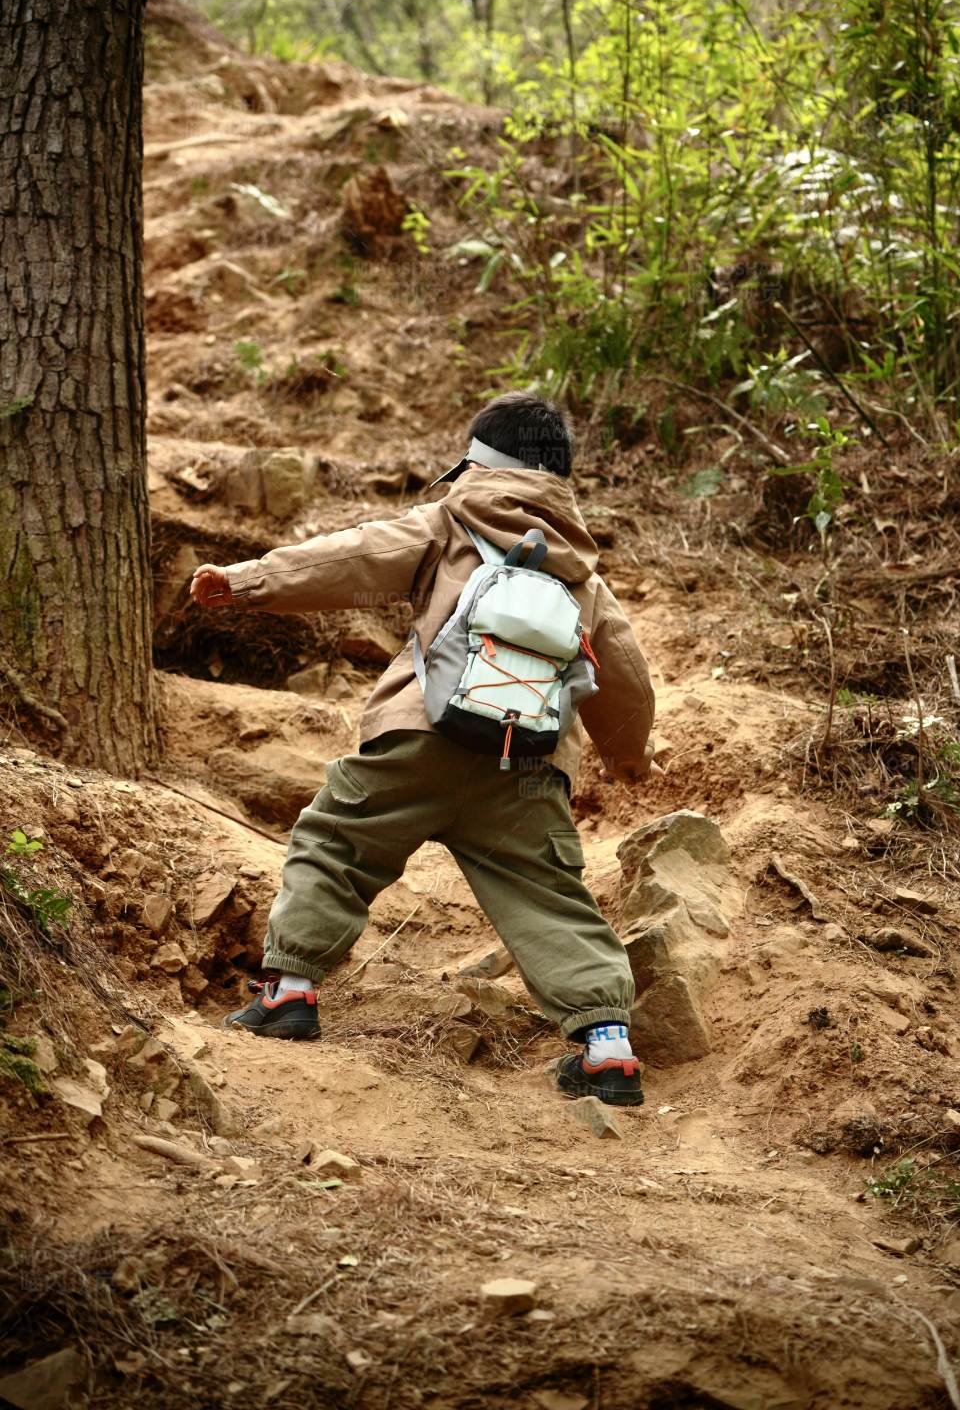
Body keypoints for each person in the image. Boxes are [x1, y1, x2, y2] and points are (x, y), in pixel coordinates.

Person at [190, 392, 658, 1106]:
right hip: (524, 763)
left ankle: (288, 995)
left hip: (419, 735)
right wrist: (627, 755)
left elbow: (353, 556)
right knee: (549, 897)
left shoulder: (449, 522)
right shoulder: (580, 571)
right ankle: (607, 1049)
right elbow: (622, 671)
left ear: (474, 463)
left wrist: (247, 582)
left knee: (335, 846)